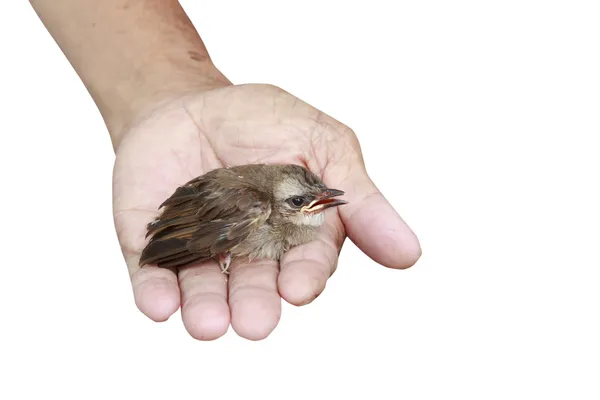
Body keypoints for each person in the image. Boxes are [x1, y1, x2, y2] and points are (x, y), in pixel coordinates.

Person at [29, 0, 422, 341]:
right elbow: (191, 232)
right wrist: (174, 247)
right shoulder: (256, 208)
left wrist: (171, 88)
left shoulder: (285, 206)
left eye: (312, 198)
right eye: (299, 201)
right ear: (277, 201)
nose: (314, 204)